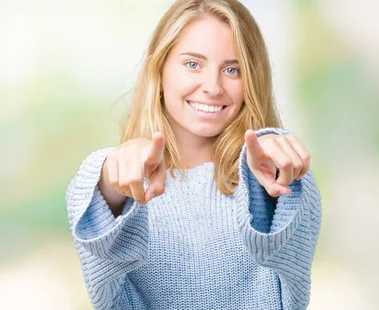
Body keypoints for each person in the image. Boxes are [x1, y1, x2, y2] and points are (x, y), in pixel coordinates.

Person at [64, 0, 322, 309]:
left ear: (253, 79)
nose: (212, 87)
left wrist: (275, 153)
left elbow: (291, 260)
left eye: (232, 69)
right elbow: (104, 277)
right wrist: (110, 174)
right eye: (193, 64)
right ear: (158, 70)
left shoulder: (273, 180)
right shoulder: (114, 185)